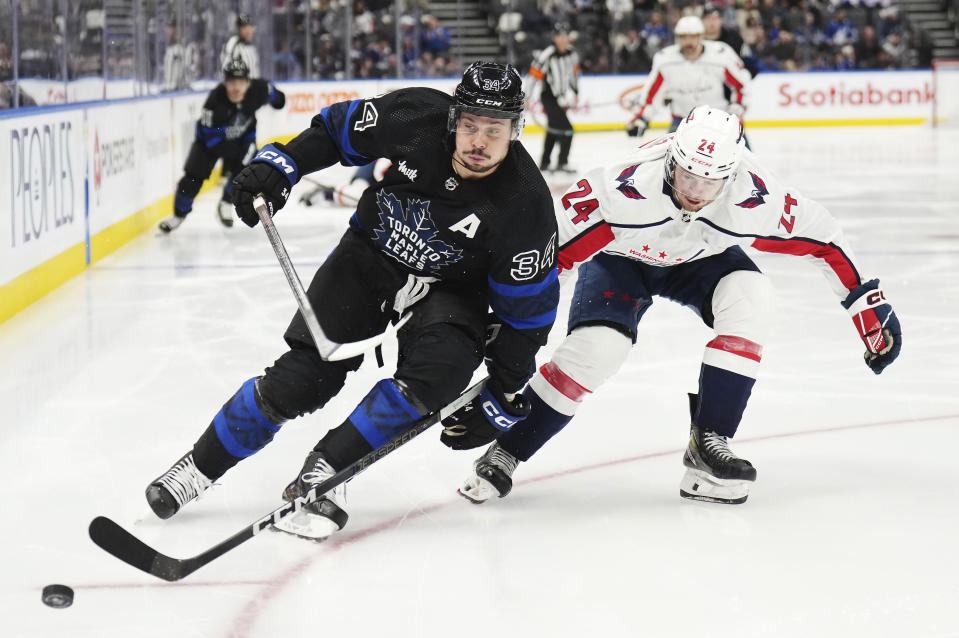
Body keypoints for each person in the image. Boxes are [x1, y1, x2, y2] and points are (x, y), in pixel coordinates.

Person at [144, 62, 560, 541]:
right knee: (302, 379)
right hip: (369, 258)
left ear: (516, 128)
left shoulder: (524, 204)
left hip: (453, 288)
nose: (479, 142)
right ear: (452, 119)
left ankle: (328, 469)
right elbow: (338, 129)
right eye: (469, 125)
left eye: (494, 129)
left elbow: (527, 314)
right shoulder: (416, 115)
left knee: (438, 375)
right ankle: (197, 468)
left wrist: (504, 389)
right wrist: (283, 162)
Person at [454, 105, 902, 506]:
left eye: (711, 182)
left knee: (754, 300)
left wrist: (865, 302)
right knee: (596, 352)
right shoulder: (617, 189)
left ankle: (709, 444)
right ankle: (508, 449)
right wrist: (509, 342)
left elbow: (823, 237)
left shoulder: (756, 197)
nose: (695, 191)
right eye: (688, 176)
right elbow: (547, 260)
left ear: (731, 175)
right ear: (671, 160)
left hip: (703, 258)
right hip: (621, 259)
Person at [158, 59, 285, 233]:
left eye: (241, 82)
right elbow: (209, 136)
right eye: (232, 82)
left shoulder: (259, 90)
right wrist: (232, 150)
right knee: (192, 178)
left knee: (246, 170)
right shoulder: (214, 102)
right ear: (225, 83)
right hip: (208, 142)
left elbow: (278, 98)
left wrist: (277, 99)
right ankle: (179, 215)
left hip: (244, 139)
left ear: (248, 83)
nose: (236, 88)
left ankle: (226, 201)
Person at [626, 16, 751, 144]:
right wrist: (641, 119)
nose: (688, 41)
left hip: (719, 121)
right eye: (683, 37)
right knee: (667, 161)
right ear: (677, 38)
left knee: (745, 162)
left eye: (693, 36)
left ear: (701, 36)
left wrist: (736, 110)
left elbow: (741, 84)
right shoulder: (665, 60)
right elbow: (651, 96)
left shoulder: (720, 55)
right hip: (683, 122)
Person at [525, 22, 581, 172]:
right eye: (559, 37)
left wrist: (576, 93)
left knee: (553, 130)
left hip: (561, 98)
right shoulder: (547, 55)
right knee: (567, 130)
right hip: (548, 97)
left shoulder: (572, 54)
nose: (563, 40)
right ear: (554, 38)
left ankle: (544, 162)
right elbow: (533, 77)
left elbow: (574, 75)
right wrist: (526, 98)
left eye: (565, 36)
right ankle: (563, 162)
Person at [298, 158, 392, 208]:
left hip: (381, 173)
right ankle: (324, 193)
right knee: (356, 196)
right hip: (371, 170)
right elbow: (379, 172)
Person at [220, 13, 260, 78]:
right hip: (239, 86)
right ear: (239, 29)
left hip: (252, 85)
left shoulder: (252, 47)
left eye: (250, 27)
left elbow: (254, 71)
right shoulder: (233, 43)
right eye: (244, 27)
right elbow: (226, 67)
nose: (248, 31)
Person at [161, 20, 196, 91]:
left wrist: (184, 84)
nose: (167, 32)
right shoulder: (169, 47)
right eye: (167, 29)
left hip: (180, 89)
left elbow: (189, 66)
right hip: (170, 88)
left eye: (170, 29)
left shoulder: (182, 47)